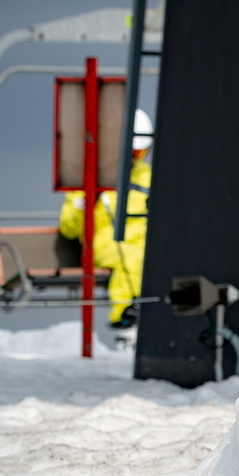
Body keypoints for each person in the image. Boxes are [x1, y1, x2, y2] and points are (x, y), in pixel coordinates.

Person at [59, 109, 153, 335]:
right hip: (104, 243)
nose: (135, 158)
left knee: (146, 253)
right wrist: (84, 205)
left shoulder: (149, 175)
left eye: (140, 153)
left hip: (144, 242)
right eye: (132, 151)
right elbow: (68, 228)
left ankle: (150, 311)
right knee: (131, 256)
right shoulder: (90, 175)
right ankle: (127, 315)